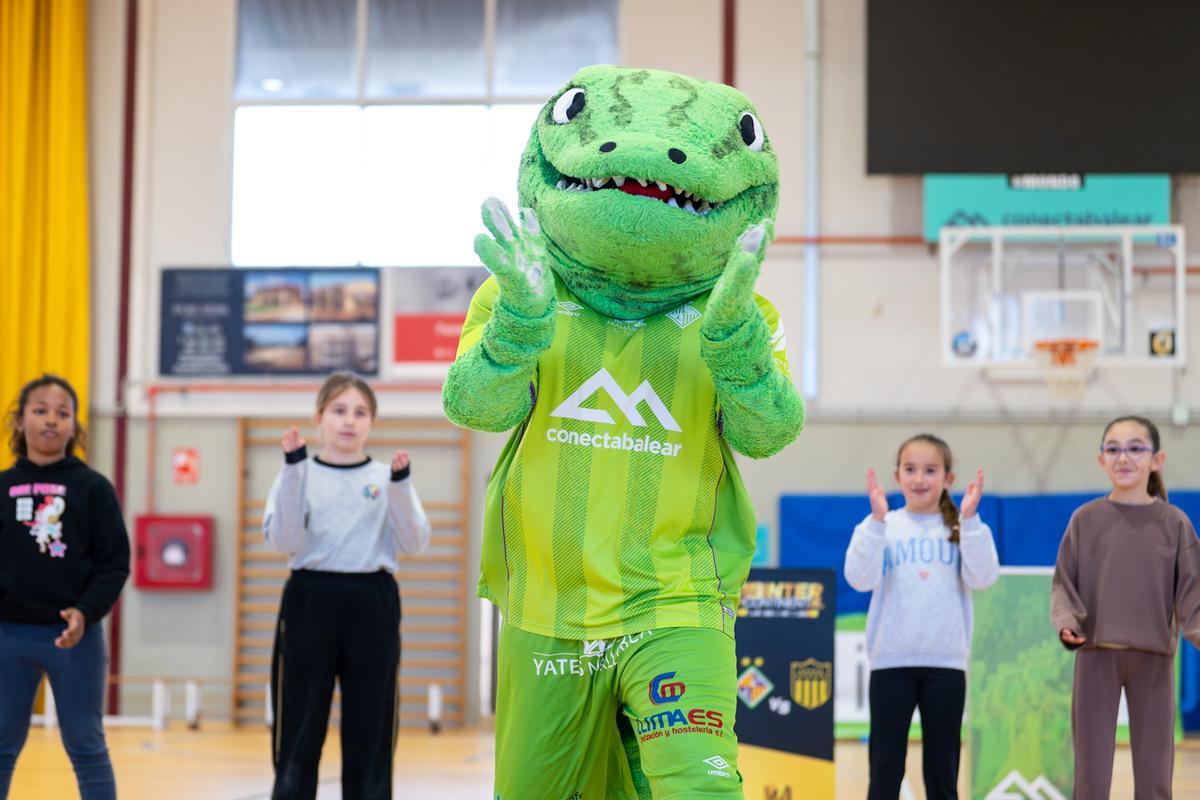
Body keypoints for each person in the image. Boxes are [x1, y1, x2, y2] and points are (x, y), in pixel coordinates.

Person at [263, 372, 431, 800]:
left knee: (371, 724)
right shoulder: (296, 473)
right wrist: (294, 471)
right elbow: (283, 540)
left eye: (360, 412)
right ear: (319, 417)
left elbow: (415, 544)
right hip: (310, 600)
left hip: (371, 602)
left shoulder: (388, 475)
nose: (348, 421)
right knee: (300, 723)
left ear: (372, 422)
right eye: (339, 410)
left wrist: (401, 486)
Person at [1052, 415, 1200, 799]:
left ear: (1157, 459)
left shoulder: (1175, 524)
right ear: (1101, 459)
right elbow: (1064, 585)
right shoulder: (1084, 520)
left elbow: (1192, 594)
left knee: (1154, 774)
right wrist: (1068, 622)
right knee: (1090, 775)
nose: (1124, 457)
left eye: (1136, 448)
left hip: (1154, 660)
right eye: (1113, 449)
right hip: (1096, 657)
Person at [844, 433, 998, 800]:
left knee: (942, 775)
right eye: (910, 469)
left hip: (945, 664)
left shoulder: (963, 527)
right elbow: (859, 579)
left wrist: (972, 520)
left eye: (930, 470)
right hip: (890, 663)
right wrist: (876, 521)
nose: (919, 479)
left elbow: (984, 576)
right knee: (884, 771)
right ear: (897, 476)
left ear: (948, 478)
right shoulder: (884, 525)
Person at [0, 374, 130, 800]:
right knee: (1, 748)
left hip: (74, 639)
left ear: (74, 425)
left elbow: (114, 563)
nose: (51, 421)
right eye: (40, 411)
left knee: (87, 747)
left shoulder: (93, 488)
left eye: (62, 413)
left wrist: (85, 611)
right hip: (9, 637)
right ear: (20, 421)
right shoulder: (2, 487)